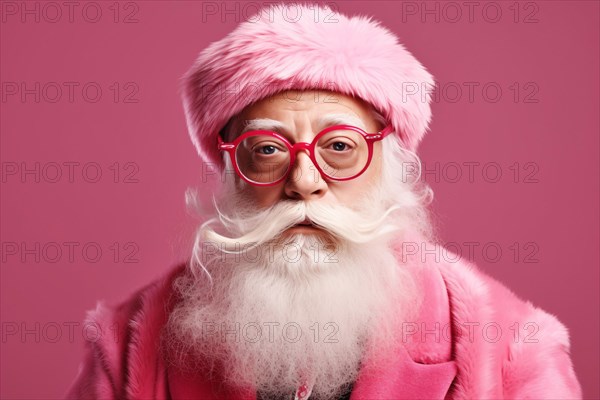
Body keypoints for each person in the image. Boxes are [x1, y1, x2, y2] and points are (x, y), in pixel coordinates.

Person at [66, 3, 582, 399]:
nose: (305, 180)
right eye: (267, 150)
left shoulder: (512, 346)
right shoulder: (123, 343)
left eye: (339, 147)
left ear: (390, 165)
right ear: (228, 171)